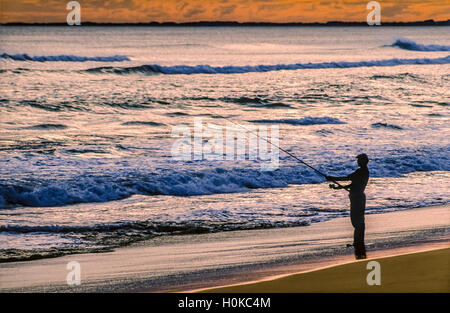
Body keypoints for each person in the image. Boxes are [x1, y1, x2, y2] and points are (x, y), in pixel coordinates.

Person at [326, 154, 370, 259]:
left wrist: (331, 178)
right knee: (358, 221)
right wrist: (337, 187)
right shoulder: (363, 172)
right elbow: (353, 184)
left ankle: (358, 242)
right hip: (358, 197)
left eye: (359, 160)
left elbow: (347, 178)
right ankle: (358, 242)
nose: (358, 161)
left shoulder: (361, 171)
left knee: (356, 221)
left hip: (357, 198)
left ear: (364, 161)